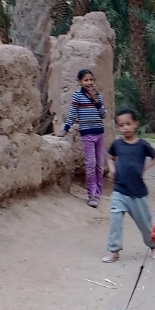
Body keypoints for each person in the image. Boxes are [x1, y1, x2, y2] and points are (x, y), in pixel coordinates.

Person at [103, 108, 155, 263]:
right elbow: (110, 157)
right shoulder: (117, 144)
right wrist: (112, 169)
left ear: (136, 124)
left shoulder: (142, 145)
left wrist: (145, 168)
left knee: (145, 224)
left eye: (128, 124)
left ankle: (153, 246)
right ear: (118, 127)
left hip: (137, 193)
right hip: (120, 190)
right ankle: (114, 250)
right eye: (121, 125)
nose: (125, 128)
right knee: (115, 219)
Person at [59, 69, 108, 207]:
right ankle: (91, 195)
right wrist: (65, 129)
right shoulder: (77, 96)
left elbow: (104, 115)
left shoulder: (98, 96)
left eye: (91, 80)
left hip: (99, 134)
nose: (89, 82)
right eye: (86, 80)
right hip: (87, 134)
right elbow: (72, 114)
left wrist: (96, 101)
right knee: (90, 164)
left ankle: (98, 193)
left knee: (100, 166)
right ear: (80, 82)